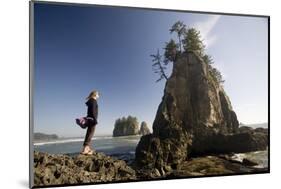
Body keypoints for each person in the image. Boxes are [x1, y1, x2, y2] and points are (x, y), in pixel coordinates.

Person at [80, 90, 99, 155]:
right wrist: (95, 120)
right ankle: (85, 149)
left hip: (89, 118)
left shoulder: (91, 101)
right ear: (95, 95)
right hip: (92, 119)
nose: (98, 96)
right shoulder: (94, 101)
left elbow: (90, 111)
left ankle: (87, 148)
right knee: (90, 133)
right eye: (98, 94)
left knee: (89, 132)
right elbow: (93, 111)